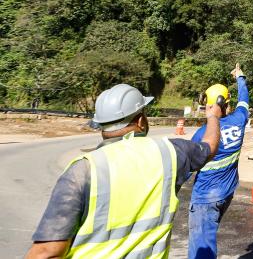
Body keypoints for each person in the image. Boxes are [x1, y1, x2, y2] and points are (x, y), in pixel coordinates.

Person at [26, 83, 221, 259]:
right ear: (141, 121)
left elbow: (46, 252)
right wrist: (213, 116)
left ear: (101, 125)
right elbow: (209, 146)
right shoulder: (170, 153)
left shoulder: (83, 170)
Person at [187, 63, 250, 259]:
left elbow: (185, 167)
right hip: (227, 192)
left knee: (202, 249)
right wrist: (240, 77)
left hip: (205, 199)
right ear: (226, 105)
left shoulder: (201, 135)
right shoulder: (239, 120)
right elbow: (244, 100)